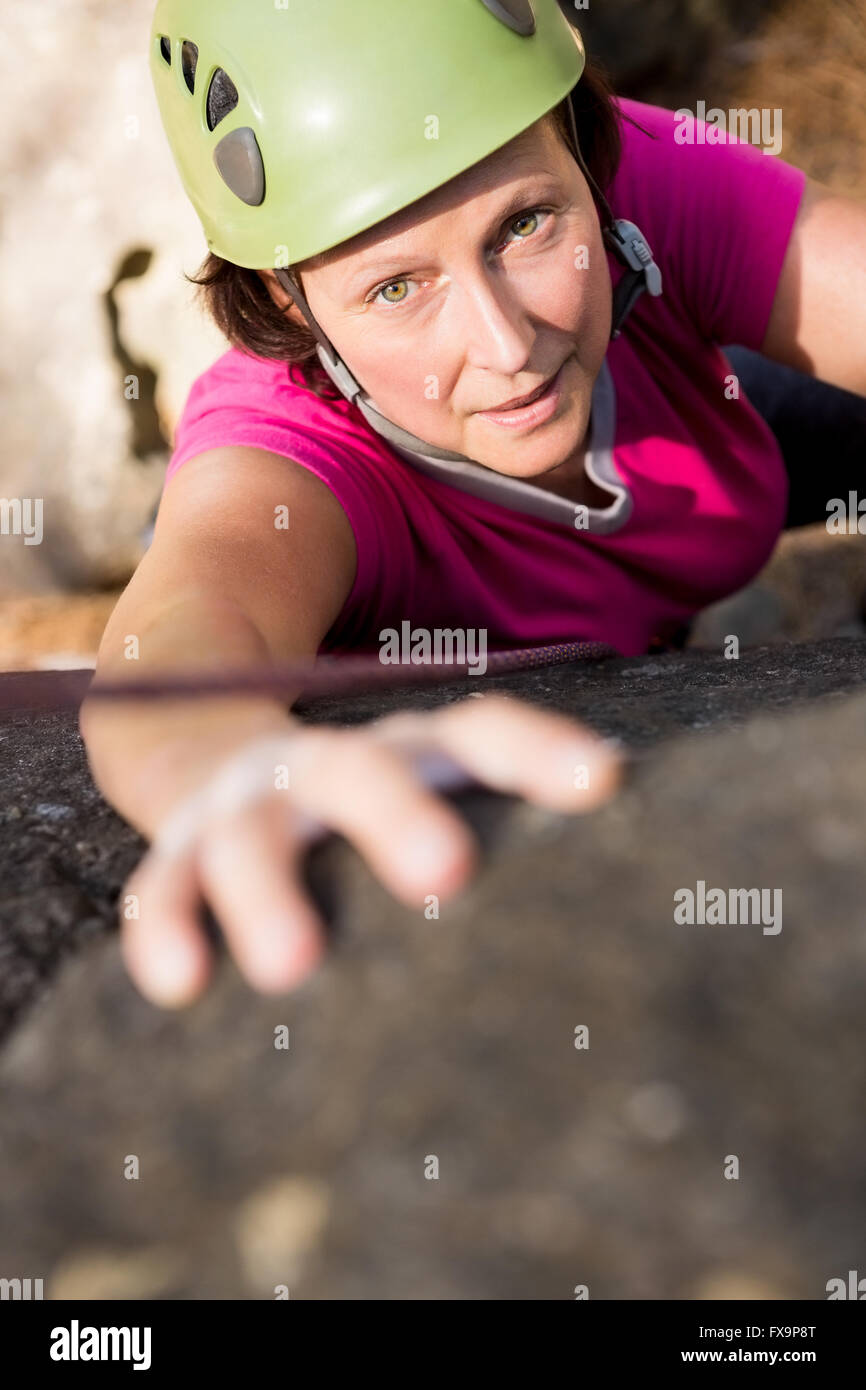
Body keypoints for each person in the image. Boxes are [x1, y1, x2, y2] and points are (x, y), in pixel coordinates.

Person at [80, 0, 866, 1009]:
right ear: (286, 301)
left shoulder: (641, 191)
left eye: (524, 225)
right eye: (396, 288)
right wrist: (223, 764)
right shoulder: (287, 463)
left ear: (586, 161)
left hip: (680, 443)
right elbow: (184, 632)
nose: (504, 346)